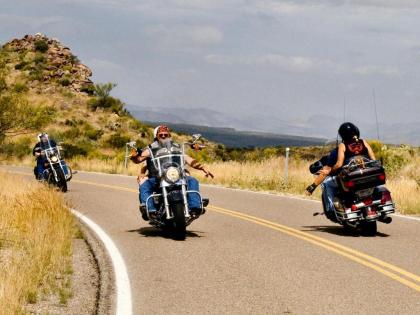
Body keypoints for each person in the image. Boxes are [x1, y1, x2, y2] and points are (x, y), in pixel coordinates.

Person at [131, 125, 214, 217]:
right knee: (145, 185)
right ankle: (149, 209)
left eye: (165, 134)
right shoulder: (151, 148)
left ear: (169, 135)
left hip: (176, 176)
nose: (163, 136)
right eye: (161, 134)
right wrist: (134, 156)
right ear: (156, 136)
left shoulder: (177, 147)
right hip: (157, 177)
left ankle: (195, 206)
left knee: (192, 180)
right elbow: (138, 159)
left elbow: (188, 159)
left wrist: (203, 168)